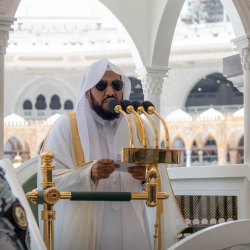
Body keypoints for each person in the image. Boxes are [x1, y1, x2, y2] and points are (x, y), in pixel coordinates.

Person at [37, 58, 187, 250]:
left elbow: (158, 177)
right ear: (87, 93)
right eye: (101, 86)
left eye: (116, 85)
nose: (110, 92)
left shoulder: (139, 126)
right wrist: (89, 173)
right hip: (86, 225)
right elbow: (49, 180)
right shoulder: (67, 126)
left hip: (132, 220)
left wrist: (145, 177)